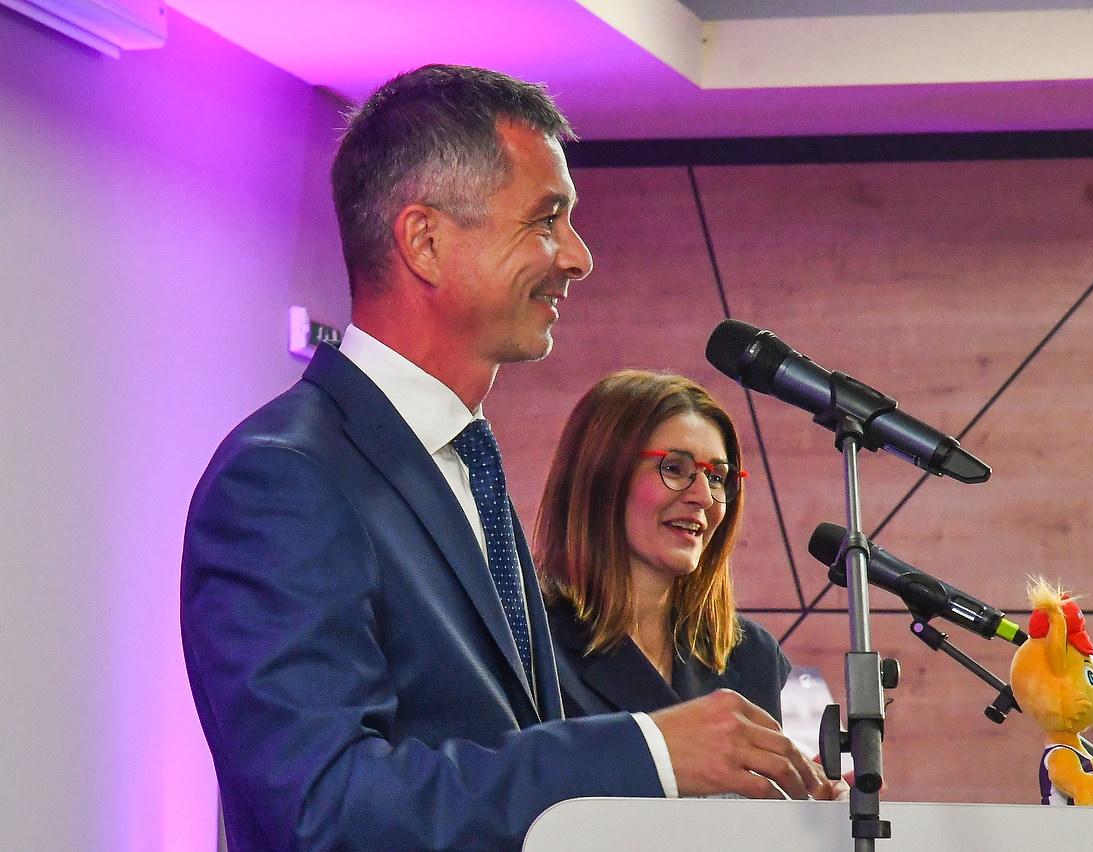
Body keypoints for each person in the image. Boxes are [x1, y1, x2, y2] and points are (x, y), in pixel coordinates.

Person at [180, 64, 842, 852]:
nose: (579, 256)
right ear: (425, 242)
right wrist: (648, 751)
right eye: (547, 219)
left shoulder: (467, 465)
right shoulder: (285, 478)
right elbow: (328, 808)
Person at [536, 370, 792, 723]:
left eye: (716, 477)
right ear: (601, 475)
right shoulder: (531, 643)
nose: (704, 497)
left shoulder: (752, 657)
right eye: (673, 468)